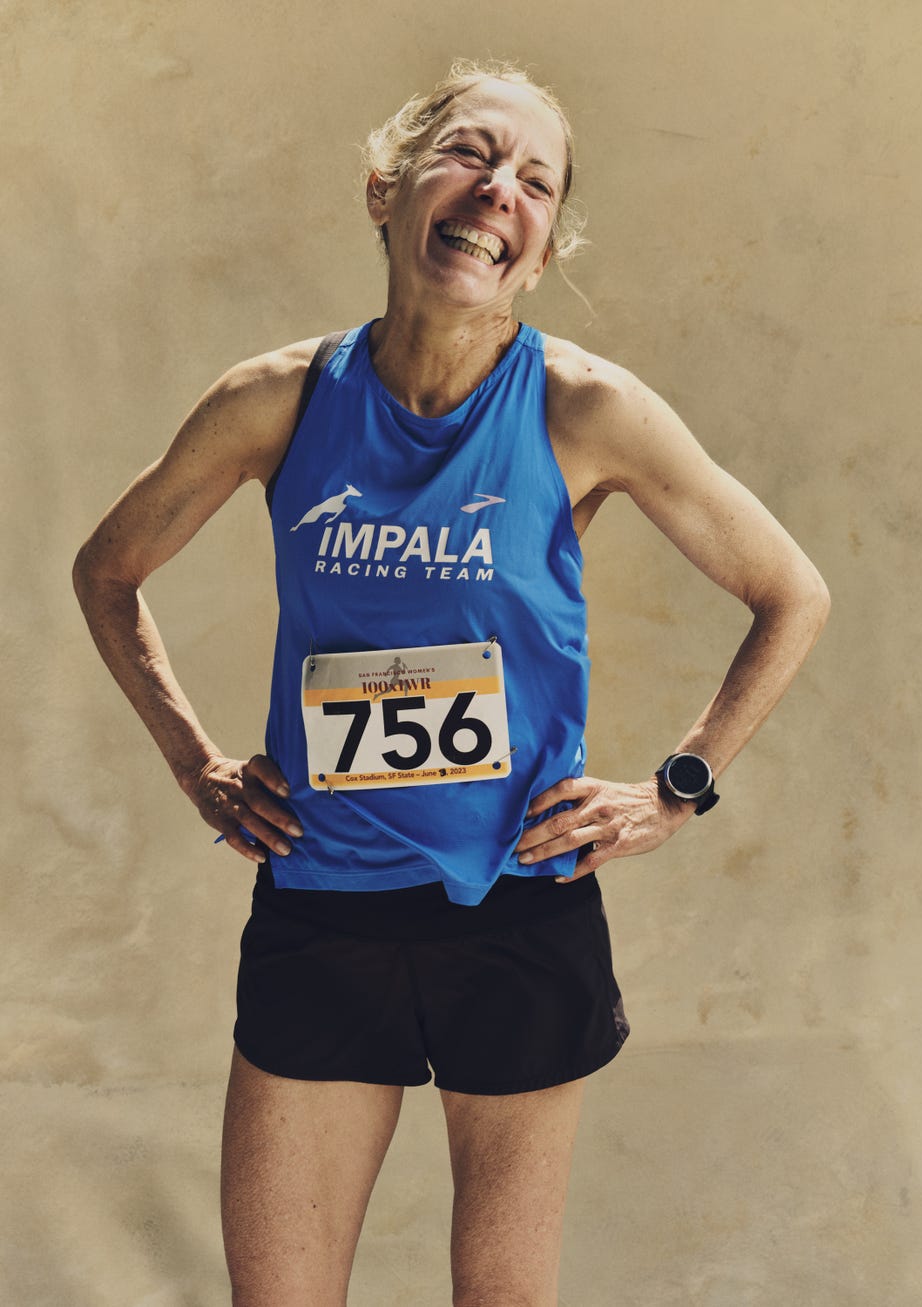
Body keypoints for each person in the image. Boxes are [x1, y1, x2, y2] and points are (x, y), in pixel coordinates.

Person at [73, 58, 830, 1307]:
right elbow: (108, 569)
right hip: (322, 905)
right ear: (386, 189)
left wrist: (676, 788)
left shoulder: (584, 407)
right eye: (470, 154)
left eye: (533, 182)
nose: (497, 191)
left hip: (520, 912)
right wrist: (193, 761)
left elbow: (789, 589)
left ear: (537, 253)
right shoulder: (278, 399)